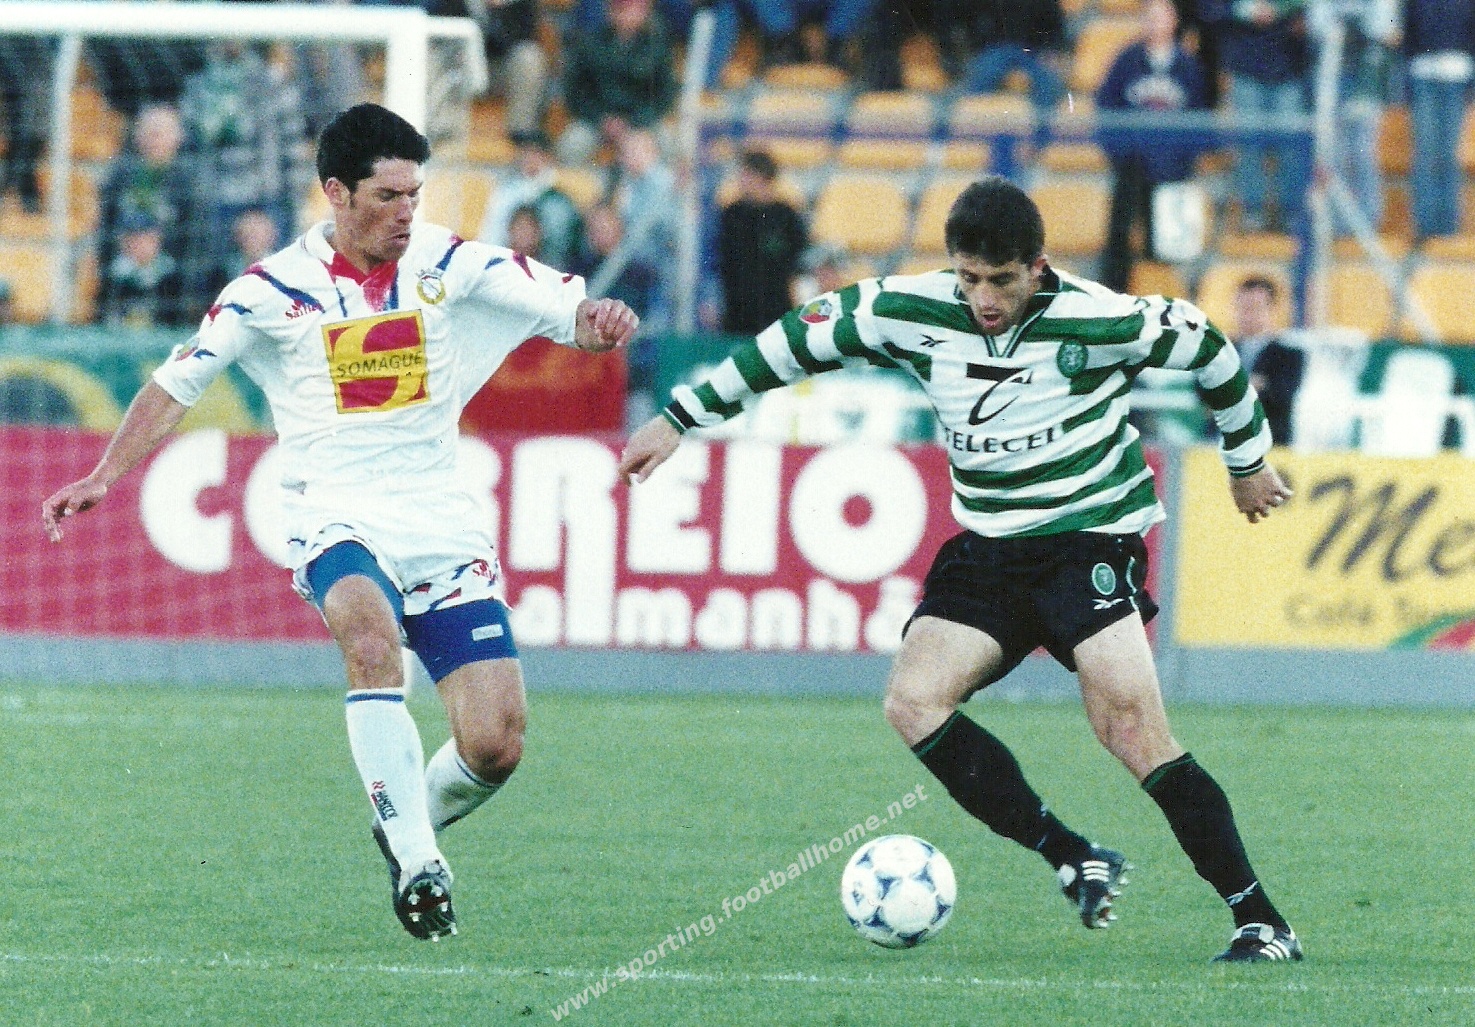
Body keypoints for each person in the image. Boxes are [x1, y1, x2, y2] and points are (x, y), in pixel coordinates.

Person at [619, 176, 1304, 964]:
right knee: (912, 701)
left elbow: (1210, 349)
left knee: (1129, 731)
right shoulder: (906, 308)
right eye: (968, 277)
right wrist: (680, 417)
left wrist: (1245, 462)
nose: (982, 298)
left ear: (1036, 267)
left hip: (1086, 538)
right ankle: (1072, 855)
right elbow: (790, 342)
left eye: (1001, 280)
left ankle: (1261, 921)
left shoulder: (1099, 317)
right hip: (989, 547)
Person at [41, 103, 638, 942]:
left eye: (414, 194)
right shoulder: (269, 290)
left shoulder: (445, 259)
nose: (406, 212)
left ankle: (402, 821)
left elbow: (563, 311)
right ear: (335, 192)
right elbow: (178, 383)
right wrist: (105, 474)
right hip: (335, 513)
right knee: (369, 641)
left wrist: (597, 325)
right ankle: (419, 861)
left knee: (495, 744)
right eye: (388, 196)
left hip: (438, 519)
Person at [1095, 0, 1212, 292]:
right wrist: (1119, 151)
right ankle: (1113, 298)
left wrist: (1186, 157)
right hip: (1131, 165)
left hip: (1174, 170)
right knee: (1120, 236)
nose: (1155, 23)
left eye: (1161, 17)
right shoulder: (1127, 60)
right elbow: (1106, 106)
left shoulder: (1188, 65)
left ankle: (1170, 301)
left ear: (1174, 21)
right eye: (1150, 17)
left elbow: (1201, 116)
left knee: (1170, 247)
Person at [1202, 0, 1312, 233]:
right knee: (1248, 144)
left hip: (1289, 66)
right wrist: (1245, 10)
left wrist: (1291, 14)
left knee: (1290, 146)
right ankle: (1253, 212)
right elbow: (1210, 9)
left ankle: (1291, 213)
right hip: (1246, 66)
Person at [558, 0, 679, 166]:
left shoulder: (657, 46)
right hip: (597, 120)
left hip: (641, 120)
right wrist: (601, 119)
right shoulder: (590, 43)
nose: (627, 16)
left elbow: (664, 95)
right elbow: (575, 91)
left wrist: (635, 121)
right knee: (571, 145)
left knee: (667, 145)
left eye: (634, 10)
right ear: (610, 12)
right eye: (621, 10)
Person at [1403, 0, 1475, 240]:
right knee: (1424, 152)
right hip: (1422, 74)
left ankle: (1448, 225)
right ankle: (1424, 224)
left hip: (1457, 74)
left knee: (1449, 154)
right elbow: (1409, 33)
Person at [717, 147, 809, 335]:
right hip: (737, 311)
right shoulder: (732, 214)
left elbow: (799, 262)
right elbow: (722, 261)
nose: (740, 180)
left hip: (776, 309)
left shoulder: (786, 216)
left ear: (759, 177)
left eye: (744, 174)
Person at [478, 129, 583, 274]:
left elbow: (564, 246)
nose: (529, 159)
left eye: (536, 154)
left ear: (548, 157)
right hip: (507, 267)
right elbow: (491, 234)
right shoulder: (505, 192)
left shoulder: (558, 199)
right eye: (526, 153)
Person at [1232, 274, 1303, 446]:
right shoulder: (1222, 350)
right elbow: (1202, 392)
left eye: (1255, 308)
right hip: (1219, 441)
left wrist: (1234, 387)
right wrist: (1254, 384)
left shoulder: (1289, 355)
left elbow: (1282, 396)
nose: (1247, 315)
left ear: (1272, 310)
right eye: (1243, 308)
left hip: (1270, 442)